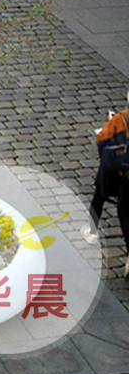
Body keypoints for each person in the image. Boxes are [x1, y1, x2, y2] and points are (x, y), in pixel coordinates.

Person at [81, 87, 129, 278]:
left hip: (121, 173)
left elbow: (102, 139)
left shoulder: (122, 118)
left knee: (109, 199)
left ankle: (92, 231)